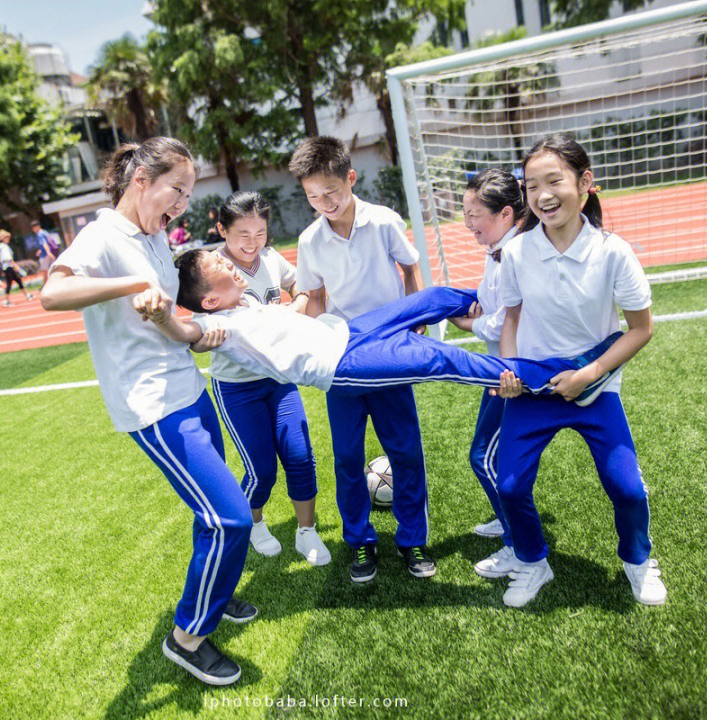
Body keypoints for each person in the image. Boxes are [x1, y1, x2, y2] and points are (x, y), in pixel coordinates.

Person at [40, 137, 257, 687]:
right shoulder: (103, 234)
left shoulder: (155, 233)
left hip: (187, 385)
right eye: (175, 189)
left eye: (188, 192)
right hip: (152, 406)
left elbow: (168, 306)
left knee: (215, 506)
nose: (181, 202)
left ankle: (216, 593)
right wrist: (133, 285)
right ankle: (186, 637)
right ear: (141, 179)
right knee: (228, 516)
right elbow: (51, 293)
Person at [138, 251, 619, 423]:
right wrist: (164, 317)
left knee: (429, 299)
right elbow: (189, 336)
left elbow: (294, 313)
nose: (227, 263)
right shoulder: (220, 326)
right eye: (218, 267)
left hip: (348, 331)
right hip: (343, 365)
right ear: (209, 301)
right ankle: (567, 372)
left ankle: (510, 296)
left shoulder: (245, 303)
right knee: (442, 358)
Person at [493, 133, 666, 608]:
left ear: (585, 183)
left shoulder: (614, 252)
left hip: (594, 388)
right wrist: (508, 371)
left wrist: (589, 375)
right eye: (531, 186)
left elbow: (641, 329)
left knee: (627, 488)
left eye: (554, 181)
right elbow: (511, 318)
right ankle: (533, 562)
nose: (543, 195)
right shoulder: (518, 253)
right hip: (534, 390)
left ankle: (637, 560)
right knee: (509, 485)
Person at [289, 135, 431, 583]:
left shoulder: (384, 221)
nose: (323, 202)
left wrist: (417, 314)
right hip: (343, 356)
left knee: (405, 450)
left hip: (389, 350)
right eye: (313, 196)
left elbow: (409, 267)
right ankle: (361, 542)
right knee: (348, 458)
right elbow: (312, 297)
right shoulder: (310, 239)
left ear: (350, 178)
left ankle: (413, 540)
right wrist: (298, 333)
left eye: (330, 191)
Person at [208, 191, 329, 566]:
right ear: (221, 230)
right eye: (242, 233)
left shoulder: (272, 259)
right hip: (237, 386)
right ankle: (254, 524)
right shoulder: (214, 269)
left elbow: (303, 289)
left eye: (259, 232)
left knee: (299, 454)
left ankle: (306, 532)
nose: (252, 242)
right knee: (260, 469)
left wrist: (293, 308)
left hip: (278, 378)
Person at [446, 169, 527, 579]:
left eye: (473, 213)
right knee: (491, 456)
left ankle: (519, 544)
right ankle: (508, 516)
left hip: (514, 374)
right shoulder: (497, 249)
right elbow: (488, 303)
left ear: (506, 213)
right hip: (500, 367)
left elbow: (502, 322)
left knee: (486, 457)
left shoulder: (514, 253)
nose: (467, 224)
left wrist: (466, 323)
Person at [0, 230, 33, 305]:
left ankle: (26, 295)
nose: (8, 238)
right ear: (3, 239)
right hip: (8, 268)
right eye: (6, 237)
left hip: (8, 267)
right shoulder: (4, 247)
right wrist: (17, 267)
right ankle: (6, 300)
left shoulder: (1, 247)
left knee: (18, 281)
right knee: (9, 284)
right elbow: (9, 259)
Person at [28, 220, 57, 286]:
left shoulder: (39, 234)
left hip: (45, 255)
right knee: (51, 270)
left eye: (34, 227)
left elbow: (44, 243)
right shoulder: (44, 232)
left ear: (38, 226)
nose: (33, 229)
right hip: (50, 252)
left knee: (44, 271)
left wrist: (48, 252)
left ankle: (46, 285)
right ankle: (53, 283)